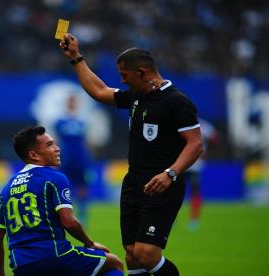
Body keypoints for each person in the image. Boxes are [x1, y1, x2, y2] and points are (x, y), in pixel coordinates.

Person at [59, 34, 203, 275]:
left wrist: (170, 173)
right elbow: (99, 90)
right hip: (134, 183)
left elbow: (195, 144)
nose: (122, 81)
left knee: (147, 254)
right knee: (132, 254)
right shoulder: (137, 96)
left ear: (143, 73)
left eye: (125, 75)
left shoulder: (177, 102)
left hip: (162, 186)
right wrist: (76, 57)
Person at [0, 126, 123, 276]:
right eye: (49, 145)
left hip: (21, 265)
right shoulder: (53, 177)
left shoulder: (8, 187)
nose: (57, 148)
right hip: (55, 256)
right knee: (114, 262)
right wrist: (90, 243)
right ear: (34, 154)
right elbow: (69, 222)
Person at [54, 94, 93, 227]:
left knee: (82, 186)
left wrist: (88, 158)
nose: (72, 104)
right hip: (66, 158)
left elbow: (86, 141)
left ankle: (83, 215)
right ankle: (67, 215)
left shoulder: (82, 120)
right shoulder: (60, 121)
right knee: (65, 186)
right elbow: (57, 140)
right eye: (70, 101)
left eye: (73, 101)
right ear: (67, 103)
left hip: (80, 158)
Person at [185, 118, 219, 231]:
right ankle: (192, 220)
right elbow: (215, 138)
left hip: (193, 165)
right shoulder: (203, 126)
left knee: (194, 192)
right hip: (182, 165)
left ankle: (194, 220)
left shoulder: (202, 126)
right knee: (176, 192)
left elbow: (215, 139)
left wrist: (206, 152)